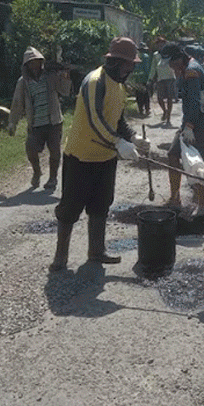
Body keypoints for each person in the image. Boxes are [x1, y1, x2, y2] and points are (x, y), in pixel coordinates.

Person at [50, 37, 151, 271]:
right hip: (81, 156)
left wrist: (132, 137)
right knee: (70, 208)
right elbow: (96, 119)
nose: (131, 69)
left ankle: (96, 251)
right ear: (115, 62)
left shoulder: (119, 86)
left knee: (101, 204)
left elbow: (118, 119)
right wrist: (118, 142)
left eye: (132, 65)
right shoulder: (95, 81)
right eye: (128, 65)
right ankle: (60, 257)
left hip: (106, 158)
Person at [163, 43, 204, 216]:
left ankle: (202, 205)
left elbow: (193, 101)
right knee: (173, 154)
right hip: (189, 123)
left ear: (178, 58)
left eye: (171, 63)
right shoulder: (192, 65)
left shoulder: (192, 71)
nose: (170, 67)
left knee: (198, 163)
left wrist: (189, 127)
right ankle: (175, 198)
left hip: (200, 125)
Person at [8, 47, 71, 191]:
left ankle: (53, 178)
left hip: (54, 122)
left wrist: (65, 78)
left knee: (55, 152)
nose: (35, 65)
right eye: (31, 63)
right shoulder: (23, 82)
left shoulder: (50, 76)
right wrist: (12, 122)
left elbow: (65, 92)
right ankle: (37, 172)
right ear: (26, 65)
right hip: (36, 123)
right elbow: (17, 103)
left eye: (37, 62)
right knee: (31, 150)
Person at [147, 37, 176, 126]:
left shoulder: (170, 53)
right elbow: (153, 68)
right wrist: (150, 79)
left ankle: (168, 118)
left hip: (170, 77)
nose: (160, 45)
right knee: (160, 98)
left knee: (170, 98)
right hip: (160, 79)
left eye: (162, 43)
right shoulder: (156, 55)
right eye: (158, 44)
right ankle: (165, 111)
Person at [130, 42, 152, 116]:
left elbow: (134, 68)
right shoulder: (146, 56)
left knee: (139, 95)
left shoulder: (136, 57)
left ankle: (140, 110)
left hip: (137, 78)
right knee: (146, 95)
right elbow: (147, 68)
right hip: (144, 79)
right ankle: (147, 109)